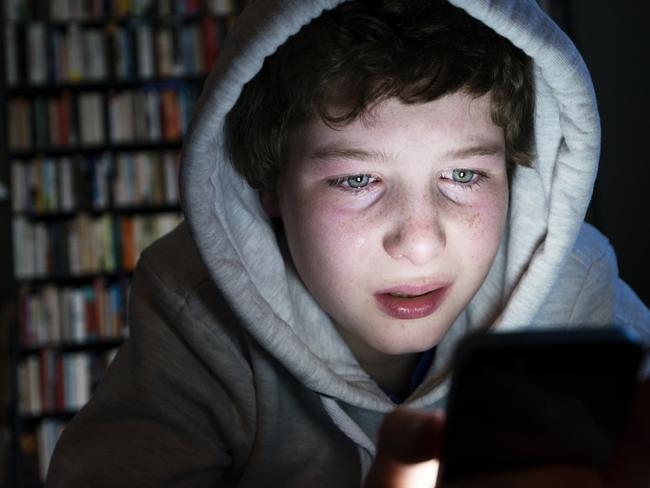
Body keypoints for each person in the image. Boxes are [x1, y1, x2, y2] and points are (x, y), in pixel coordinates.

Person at [47, 0, 650, 486]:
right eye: (357, 180)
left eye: (463, 176)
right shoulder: (197, 314)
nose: (419, 244)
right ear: (269, 189)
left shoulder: (574, 284)